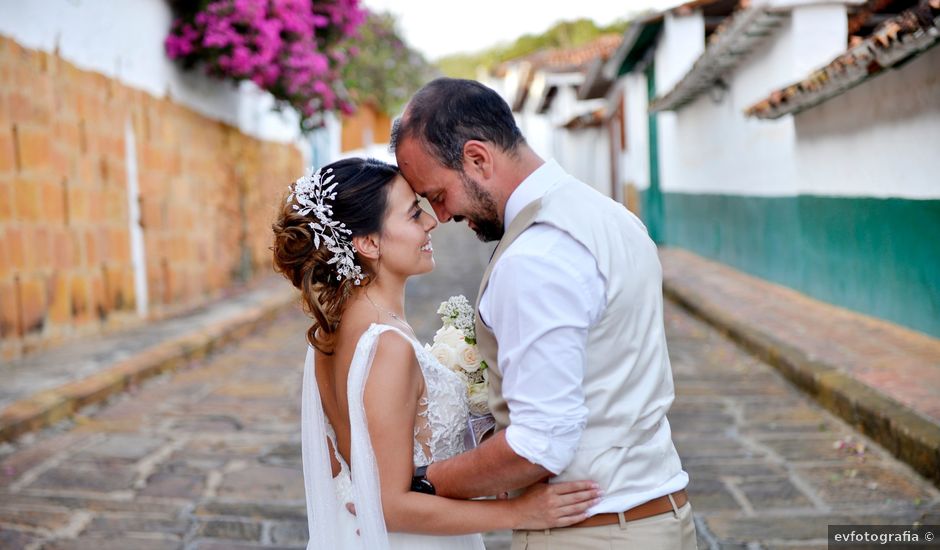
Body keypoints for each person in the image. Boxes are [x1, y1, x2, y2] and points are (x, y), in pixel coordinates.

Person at [391, 78, 698, 549]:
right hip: (659, 513)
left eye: (436, 193)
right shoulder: (612, 216)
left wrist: (428, 481)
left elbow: (540, 446)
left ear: (477, 158)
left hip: (591, 535)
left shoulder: (533, 258)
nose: (441, 215)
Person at [271, 157, 602, 549]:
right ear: (369, 243)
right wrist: (522, 512)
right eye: (413, 214)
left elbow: (349, 476)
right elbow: (389, 505)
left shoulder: (330, 335)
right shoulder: (387, 345)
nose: (431, 221)